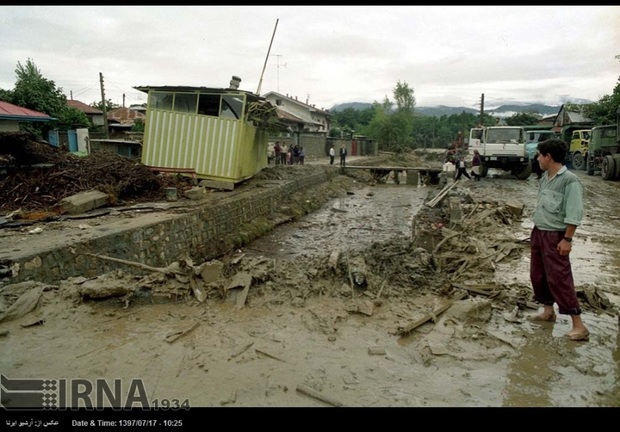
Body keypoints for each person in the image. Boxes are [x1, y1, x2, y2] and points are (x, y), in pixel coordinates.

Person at [529, 138, 589, 341]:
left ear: (548, 157)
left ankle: (578, 326)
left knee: (560, 278)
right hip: (539, 232)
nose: (537, 159)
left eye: (539, 155)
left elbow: (574, 212)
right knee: (538, 275)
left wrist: (567, 240)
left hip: (556, 236)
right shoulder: (545, 177)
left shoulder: (569, 180)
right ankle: (548, 311)